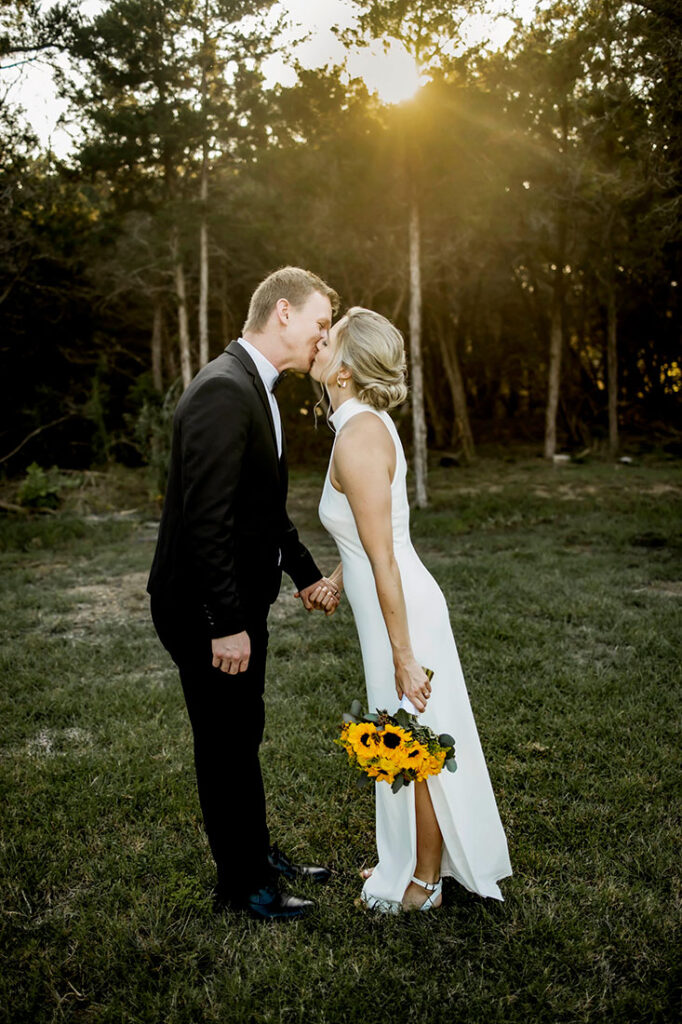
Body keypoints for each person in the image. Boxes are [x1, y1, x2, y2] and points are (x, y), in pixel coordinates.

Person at [148, 267, 342, 921]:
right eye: (320, 322)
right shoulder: (224, 392)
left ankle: (256, 854)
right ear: (282, 312)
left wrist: (307, 574)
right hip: (204, 610)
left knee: (242, 732)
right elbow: (208, 520)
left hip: (231, 604)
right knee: (225, 744)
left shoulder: (256, 388)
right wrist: (226, 622)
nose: (324, 337)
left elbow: (258, 510)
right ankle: (245, 887)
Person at [309, 307, 512, 912]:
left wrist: (404, 656)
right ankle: (405, 854)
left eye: (330, 339)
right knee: (401, 736)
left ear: (344, 370)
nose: (318, 343)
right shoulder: (357, 426)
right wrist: (341, 577)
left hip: (404, 617)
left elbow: (387, 555)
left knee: (411, 743)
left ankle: (425, 880)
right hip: (386, 609)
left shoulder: (360, 436)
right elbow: (375, 535)